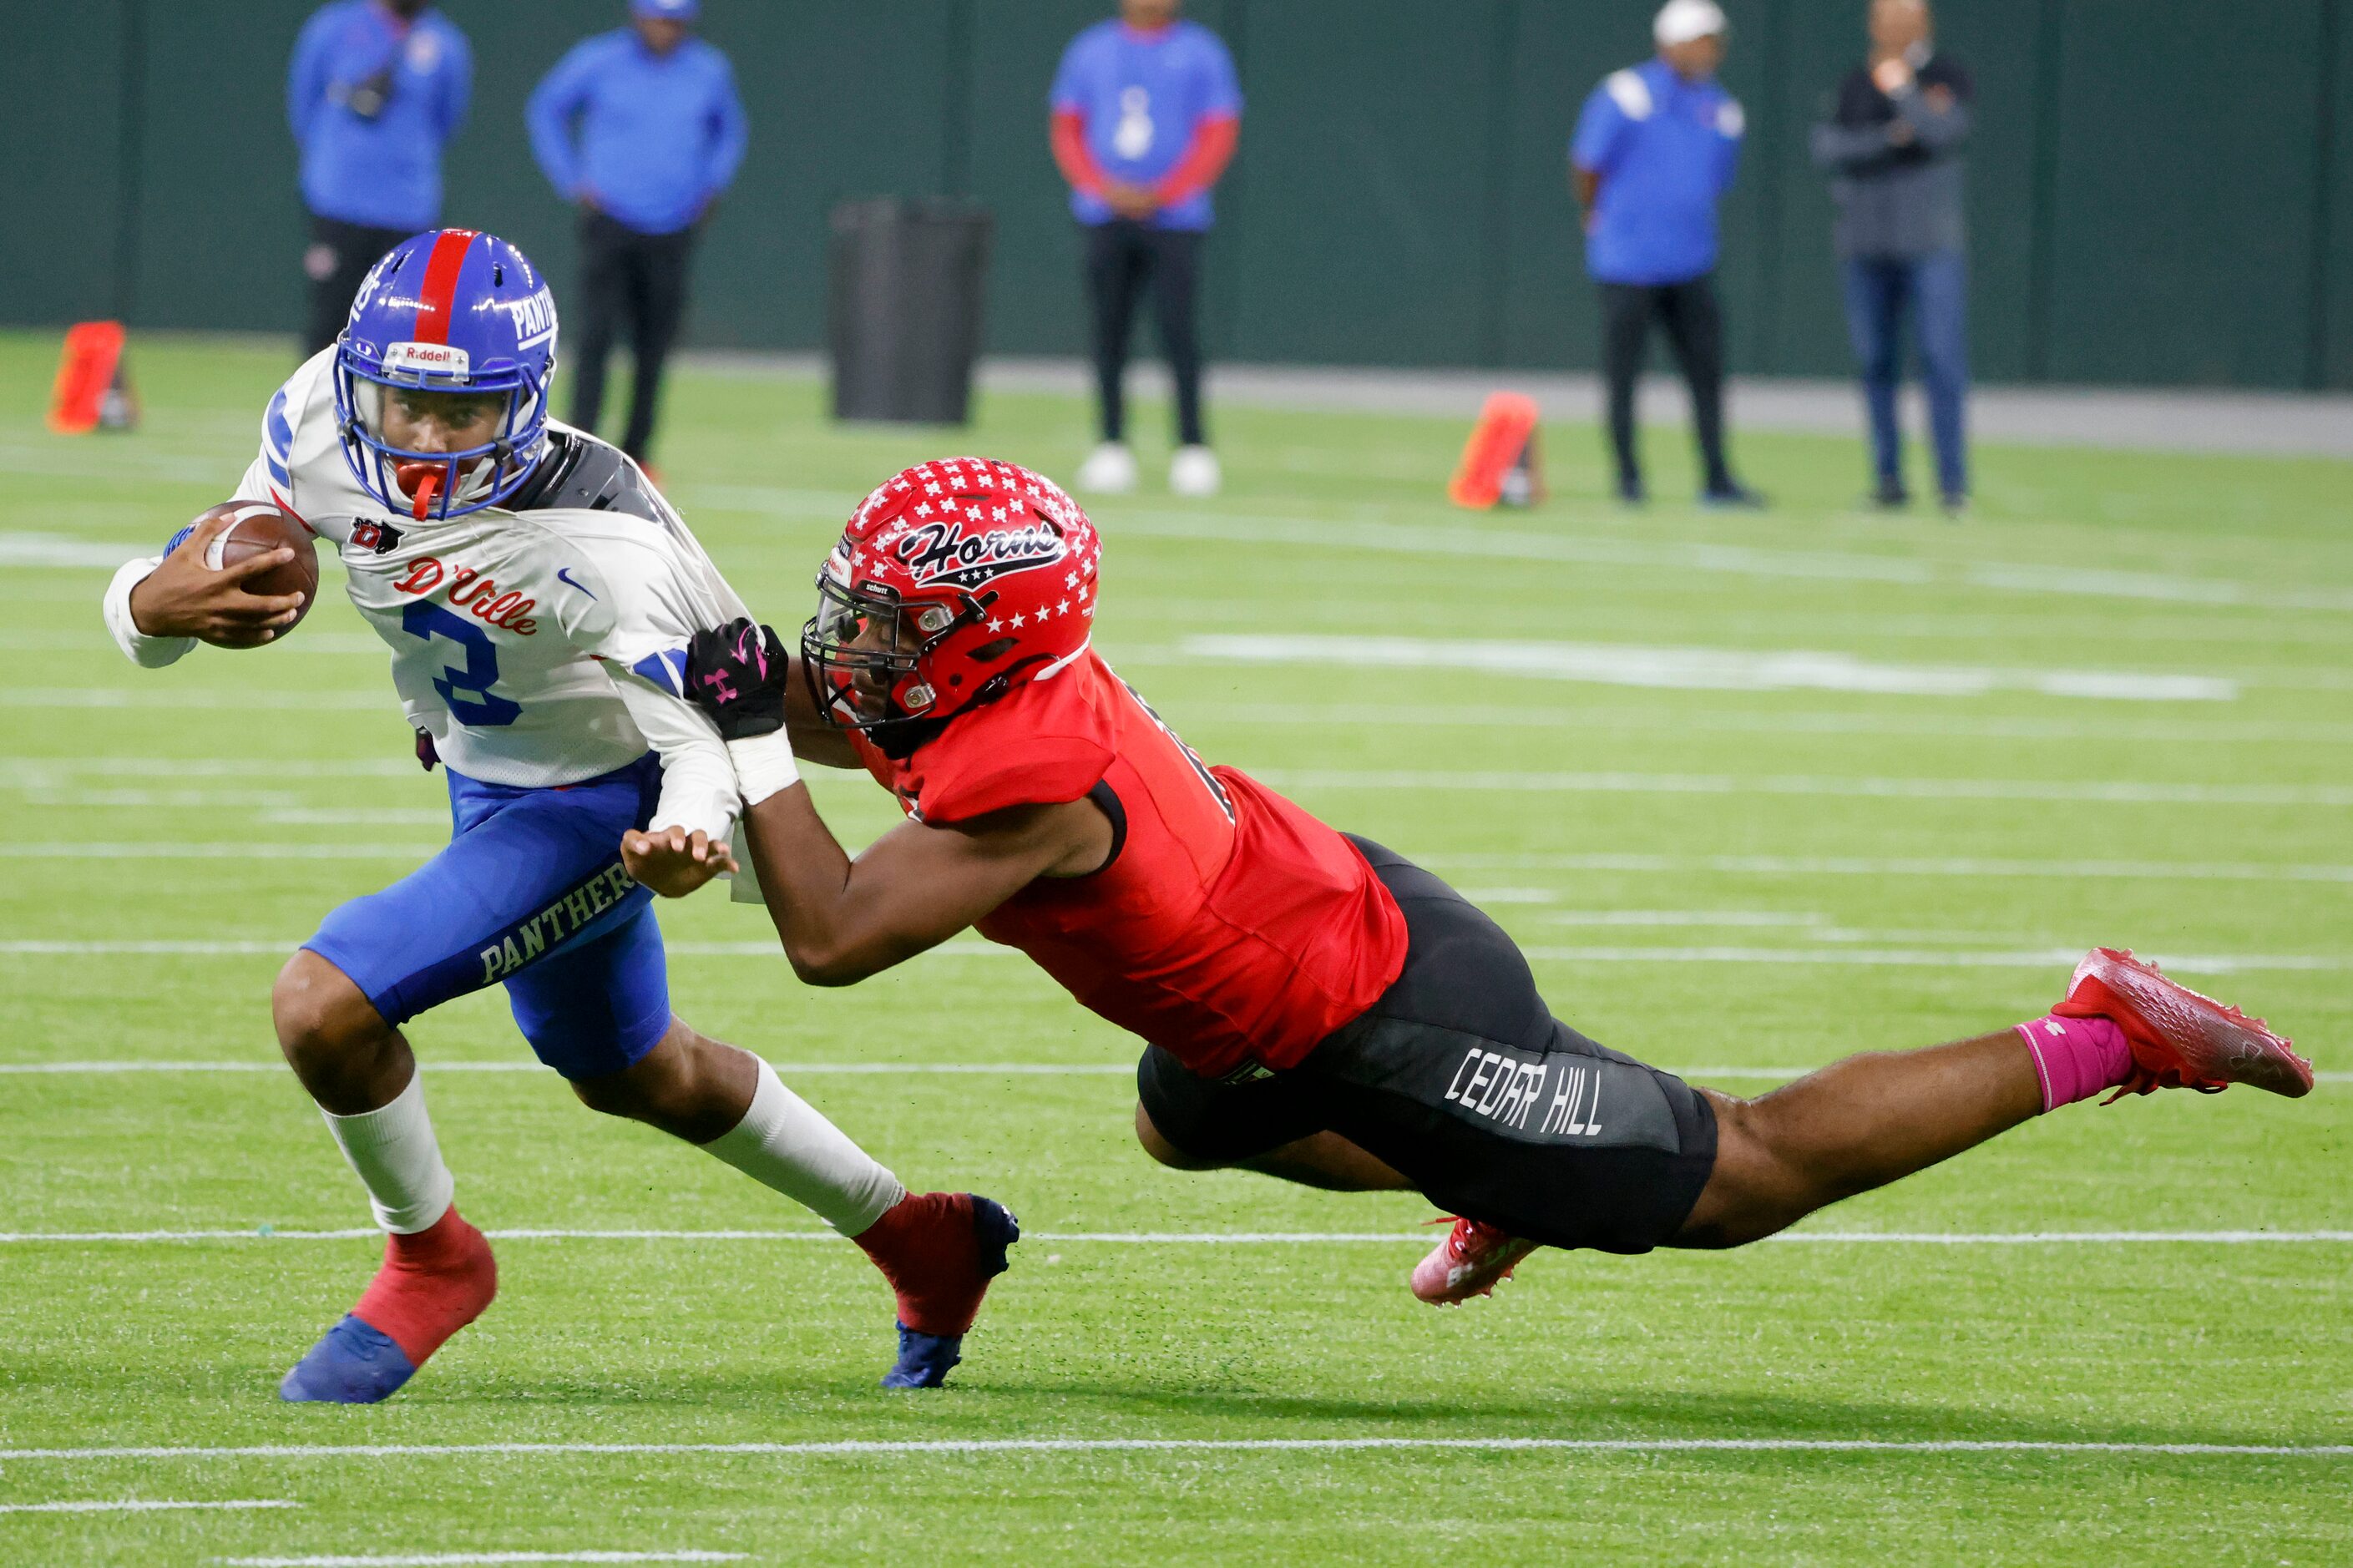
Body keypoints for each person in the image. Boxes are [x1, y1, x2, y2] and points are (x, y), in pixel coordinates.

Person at [621, 457, 2315, 1310]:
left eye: (887, 615)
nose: (847, 635)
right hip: (1309, 948)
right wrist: (616, 716)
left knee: (1742, 1176)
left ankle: (2101, 1030)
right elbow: (812, 711)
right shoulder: (993, 682)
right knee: (1181, 1114)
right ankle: (1502, 1172)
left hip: (1388, 1014)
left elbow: (832, 937)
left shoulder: (1025, 776)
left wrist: (740, 749)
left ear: (977, 638)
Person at [98, 231, 1012, 1402]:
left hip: (606, 787)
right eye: (402, 402)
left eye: (461, 414)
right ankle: (920, 1236)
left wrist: (685, 832)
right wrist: (147, 597)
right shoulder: (321, 413)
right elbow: (217, 562)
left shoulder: (608, 544)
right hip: (491, 768)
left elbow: (714, 725)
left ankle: (432, 1258)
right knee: (632, 1070)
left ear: (526, 404)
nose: (422, 437)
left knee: (323, 1006)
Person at [527, 0, 746, 468]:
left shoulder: (708, 70)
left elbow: (730, 131)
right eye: (658, 19)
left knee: (654, 343)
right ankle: (578, 448)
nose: (666, 30)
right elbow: (546, 109)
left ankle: (639, 452)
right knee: (596, 338)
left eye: (675, 21)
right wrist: (572, 179)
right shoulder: (599, 59)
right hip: (610, 220)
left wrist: (712, 185)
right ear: (638, 16)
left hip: (672, 224)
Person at [1571, 0, 1761, 508]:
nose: (1711, 51)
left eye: (1715, 40)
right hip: (1627, 263)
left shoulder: (1722, 109)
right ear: (1670, 43)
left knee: (1706, 373)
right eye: (1701, 40)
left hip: (1691, 261)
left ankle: (1717, 478)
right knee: (1624, 374)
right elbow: (1587, 165)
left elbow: (1716, 181)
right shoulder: (1626, 94)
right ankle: (1628, 478)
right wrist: (1604, 217)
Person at [1051, 0, 1242, 500]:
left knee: (1177, 329)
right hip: (1105, 215)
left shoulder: (1201, 51)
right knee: (1109, 330)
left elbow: (1218, 130)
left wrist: (1168, 190)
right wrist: (1101, 187)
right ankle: (1111, 443)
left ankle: (1192, 447)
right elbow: (1068, 127)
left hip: (1175, 218)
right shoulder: (1091, 50)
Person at [1812, 0, 1974, 513]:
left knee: (1941, 359)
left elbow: (1941, 132)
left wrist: (1904, 91)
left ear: (1922, 22)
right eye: (1884, 18)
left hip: (1929, 243)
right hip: (1865, 243)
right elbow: (1827, 148)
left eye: (1903, 17)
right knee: (1875, 361)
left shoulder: (1943, 74)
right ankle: (1888, 480)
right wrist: (1889, 139)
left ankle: (1952, 485)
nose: (1892, 28)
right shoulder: (1856, 82)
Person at [287, 0, 472, 358]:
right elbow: (302, 104)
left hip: (409, 208)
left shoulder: (446, 43)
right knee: (328, 325)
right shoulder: (333, 28)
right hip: (338, 202)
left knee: (402, 332)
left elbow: (448, 118)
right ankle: (316, 413)